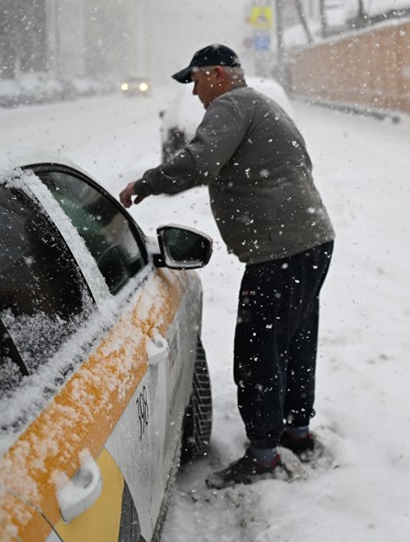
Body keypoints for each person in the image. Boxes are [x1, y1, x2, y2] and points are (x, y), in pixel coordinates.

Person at [119, 44, 335, 489]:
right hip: (310, 241)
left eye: (195, 81)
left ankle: (262, 455)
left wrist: (148, 183)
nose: (195, 93)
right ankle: (296, 431)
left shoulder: (231, 104)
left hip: (280, 252)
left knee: (258, 354)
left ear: (216, 74)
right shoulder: (261, 103)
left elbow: (200, 161)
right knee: (294, 342)